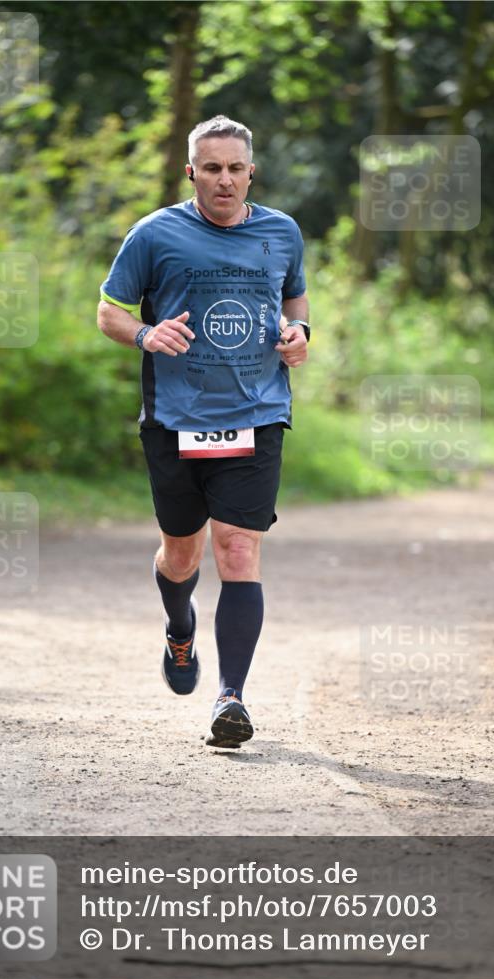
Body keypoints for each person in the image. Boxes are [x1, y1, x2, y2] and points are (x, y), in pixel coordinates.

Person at [97, 115, 309, 748]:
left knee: (238, 548)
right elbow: (110, 309)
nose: (224, 180)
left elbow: (294, 300)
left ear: (251, 172)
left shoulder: (281, 232)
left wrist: (301, 334)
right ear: (191, 171)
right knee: (182, 553)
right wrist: (144, 334)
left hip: (257, 414)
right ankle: (178, 624)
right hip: (175, 420)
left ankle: (231, 698)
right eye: (211, 168)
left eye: (235, 168)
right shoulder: (155, 234)